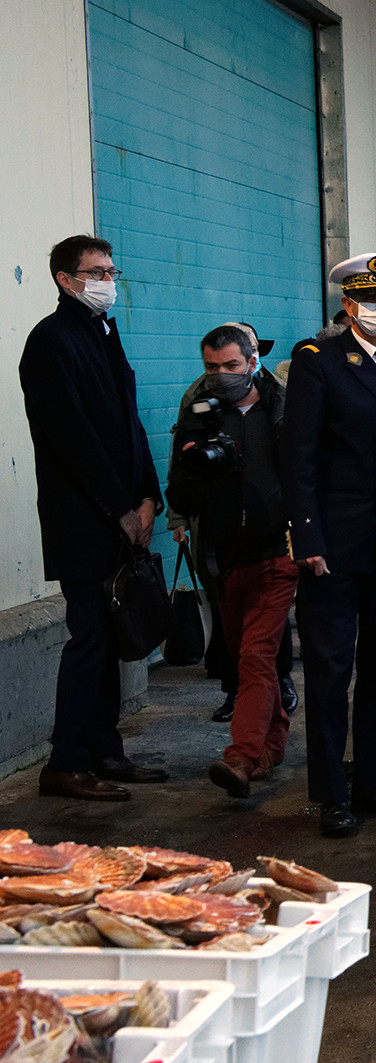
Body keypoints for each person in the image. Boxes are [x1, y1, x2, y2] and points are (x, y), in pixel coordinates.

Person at [282, 252, 376, 838]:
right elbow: (298, 458)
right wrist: (306, 537)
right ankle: (331, 793)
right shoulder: (318, 362)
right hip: (335, 541)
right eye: (372, 301)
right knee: (329, 668)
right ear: (348, 305)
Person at [18, 234, 168, 801]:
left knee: (109, 639)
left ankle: (105, 750)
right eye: (96, 271)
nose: (108, 280)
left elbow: (129, 425)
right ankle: (65, 763)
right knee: (88, 638)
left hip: (124, 516)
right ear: (65, 278)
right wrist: (120, 510)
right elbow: (73, 439)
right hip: (83, 522)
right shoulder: (51, 341)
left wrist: (151, 496)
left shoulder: (104, 334)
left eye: (111, 269)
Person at [166, 324, 296, 797]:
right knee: (247, 660)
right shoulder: (200, 412)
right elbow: (179, 488)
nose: (220, 376)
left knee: (257, 656)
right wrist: (193, 459)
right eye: (211, 368)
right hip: (221, 557)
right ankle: (273, 743)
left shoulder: (283, 406)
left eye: (231, 366)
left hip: (277, 554)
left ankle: (240, 757)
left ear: (254, 360)